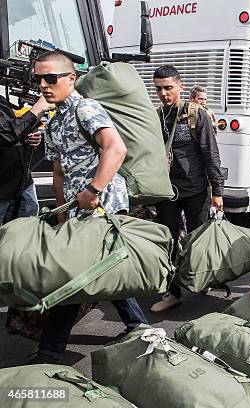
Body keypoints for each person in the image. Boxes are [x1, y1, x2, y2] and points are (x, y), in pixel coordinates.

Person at [32, 51, 148, 364]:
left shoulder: (86, 107)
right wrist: (60, 210)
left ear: (71, 78)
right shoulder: (55, 121)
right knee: (103, 270)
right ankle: (140, 327)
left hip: (102, 205)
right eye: (37, 79)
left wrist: (94, 190)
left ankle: (49, 352)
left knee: (77, 275)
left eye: (50, 78)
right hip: (77, 209)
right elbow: (58, 169)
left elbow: (116, 148)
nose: (43, 84)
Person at [150, 65, 225, 313]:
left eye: (168, 88)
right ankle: (172, 292)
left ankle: (201, 279)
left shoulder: (196, 115)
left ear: (180, 87)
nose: (163, 93)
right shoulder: (155, 116)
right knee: (168, 242)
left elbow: (210, 154)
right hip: (166, 191)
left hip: (195, 189)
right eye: (159, 89)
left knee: (197, 239)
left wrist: (218, 191)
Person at [0, 95, 53, 225]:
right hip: (3, 190)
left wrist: (28, 139)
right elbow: (7, 135)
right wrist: (39, 107)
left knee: (25, 237)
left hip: (22, 185)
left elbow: (12, 131)